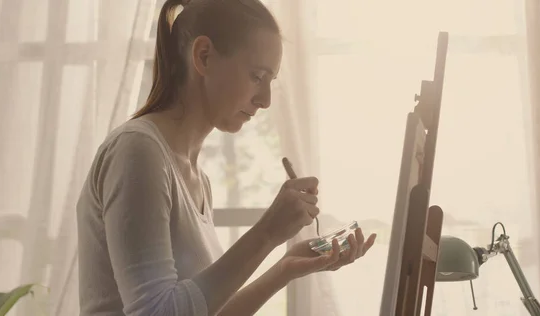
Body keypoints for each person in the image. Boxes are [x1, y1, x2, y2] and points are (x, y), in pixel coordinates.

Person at [76, 0, 377, 315]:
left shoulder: (197, 179)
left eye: (270, 81)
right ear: (203, 56)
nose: (265, 100)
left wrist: (286, 267)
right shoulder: (137, 151)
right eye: (257, 76)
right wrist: (266, 234)